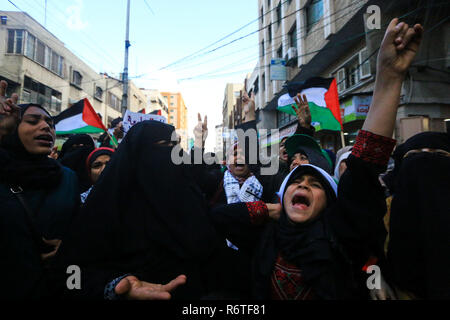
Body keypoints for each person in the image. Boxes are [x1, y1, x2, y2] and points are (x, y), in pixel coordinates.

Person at [209, 18, 423, 300]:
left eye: (316, 183)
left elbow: (364, 168)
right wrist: (271, 211)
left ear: (330, 202)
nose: (304, 184)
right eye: (296, 180)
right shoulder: (266, 238)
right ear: (282, 194)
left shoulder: (342, 241)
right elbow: (216, 217)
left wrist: (388, 78)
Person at [54, 120, 230, 300]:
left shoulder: (188, 197)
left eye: (175, 145)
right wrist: (113, 287)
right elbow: (70, 276)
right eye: (164, 146)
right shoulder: (106, 208)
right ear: (139, 155)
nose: (173, 153)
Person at [0, 102, 80, 299]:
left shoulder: (68, 177)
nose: (45, 127)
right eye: (32, 121)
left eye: (50, 124)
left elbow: (81, 227)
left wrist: (70, 247)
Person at [383, 131, 450, 299]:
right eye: (414, 154)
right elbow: (366, 259)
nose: (426, 159)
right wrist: (375, 281)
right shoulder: (383, 212)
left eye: (439, 154)